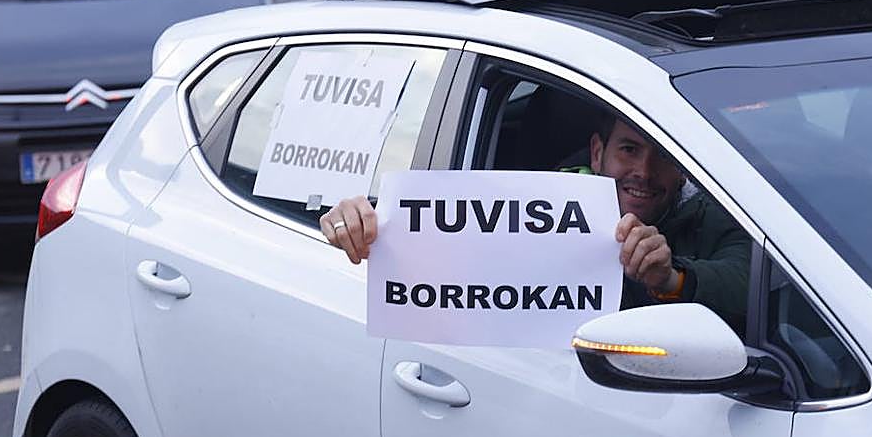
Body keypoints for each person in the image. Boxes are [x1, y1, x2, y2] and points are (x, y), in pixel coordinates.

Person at [320, 112, 752, 333]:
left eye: (661, 156)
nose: (644, 170)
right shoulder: (528, 209)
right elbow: (445, 241)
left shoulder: (721, 216)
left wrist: (671, 278)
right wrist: (359, 222)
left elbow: (752, 285)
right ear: (598, 153)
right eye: (629, 150)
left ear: (683, 170)